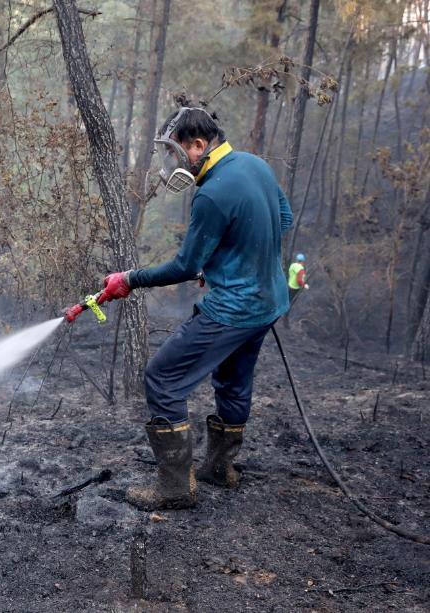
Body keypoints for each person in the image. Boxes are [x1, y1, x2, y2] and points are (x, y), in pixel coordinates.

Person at [93, 107, 293, 510]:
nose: (171, 162)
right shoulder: (256, 165)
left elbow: (184, 266)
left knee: (163, 378)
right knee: (233, 381)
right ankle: (221, 469)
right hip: (269, 303)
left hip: (234, 310)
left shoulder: (212, 194)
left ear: (197, 145)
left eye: (173, 151)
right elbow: (283, 220)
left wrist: (128, 279)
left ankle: (174, 489)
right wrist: (229, 260)